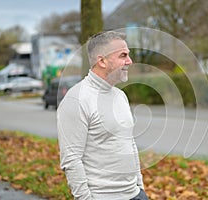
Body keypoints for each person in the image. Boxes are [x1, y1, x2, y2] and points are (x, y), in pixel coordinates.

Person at [57, 31, 148, 200]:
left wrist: (139, 187)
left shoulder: (120, 96)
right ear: (102, 61)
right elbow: (71, 159)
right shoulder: (76, 99)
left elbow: (130, 143)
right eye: (123, 56)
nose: (130, 61)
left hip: (135, 195)